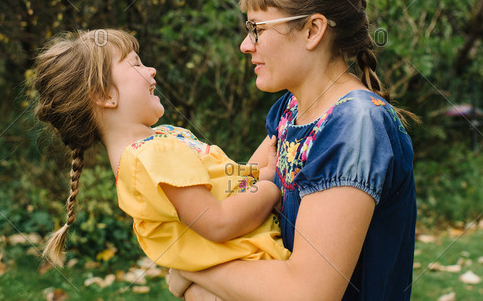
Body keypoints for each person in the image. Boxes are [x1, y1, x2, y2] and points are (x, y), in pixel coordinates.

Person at [169, 0, 418, 300]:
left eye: (257, 29)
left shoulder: (356, 125)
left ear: (313, 30)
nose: (245, 45)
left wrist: (190, 266)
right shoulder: (289, 110)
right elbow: (240, 189)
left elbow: (308, 292)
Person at [32, 29, 290, 271]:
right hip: (260, 265)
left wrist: (263, 170)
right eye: (136, 64)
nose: (152, 70)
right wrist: (269, 189)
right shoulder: (151, 158)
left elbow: (225, 181)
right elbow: (218, 222)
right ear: (105, 94)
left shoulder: (159, 141)